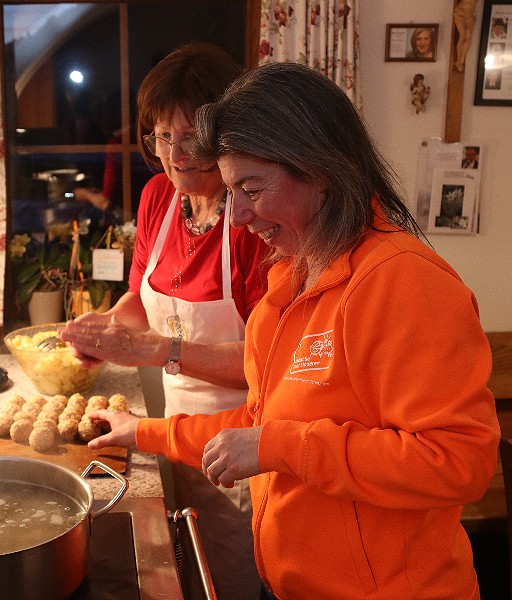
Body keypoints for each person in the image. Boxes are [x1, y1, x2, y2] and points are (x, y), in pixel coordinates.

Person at [83, 62, 501, 600]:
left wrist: (283, 447)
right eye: (231, 192)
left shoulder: (403, 282)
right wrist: (143, 433)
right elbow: (259, 423)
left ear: (319, 170)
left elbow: (459, 463)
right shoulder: (292, 280)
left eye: (252, 189)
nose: (238, 216)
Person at [60, 42, 269, 600]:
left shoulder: (253, 220)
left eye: (191, 136)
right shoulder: (158, 197)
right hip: (175, 429)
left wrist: (157, 351)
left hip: (243, 446)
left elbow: (265, 367)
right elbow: (142, 298)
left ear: (226, 132)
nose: (175, 154)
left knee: (229, 581)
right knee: (184, 571)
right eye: (161, 136)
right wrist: (105, 331)